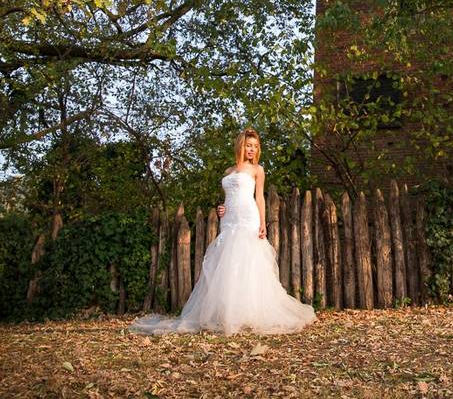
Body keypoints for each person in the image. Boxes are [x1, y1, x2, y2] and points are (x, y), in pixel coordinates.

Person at [130, 128, 316, 335]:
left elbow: (259, 198)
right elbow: (230, 196)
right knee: (227, 263)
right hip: (228, 219)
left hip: (247, 217)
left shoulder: (258, 170)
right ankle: (227, 312)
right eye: (249, 145)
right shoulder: (228, 171)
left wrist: (263, 223)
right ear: (241, 146)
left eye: (255, 146)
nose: (252, 150)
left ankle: (249, 313)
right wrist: (222, 208)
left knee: (246, 261)